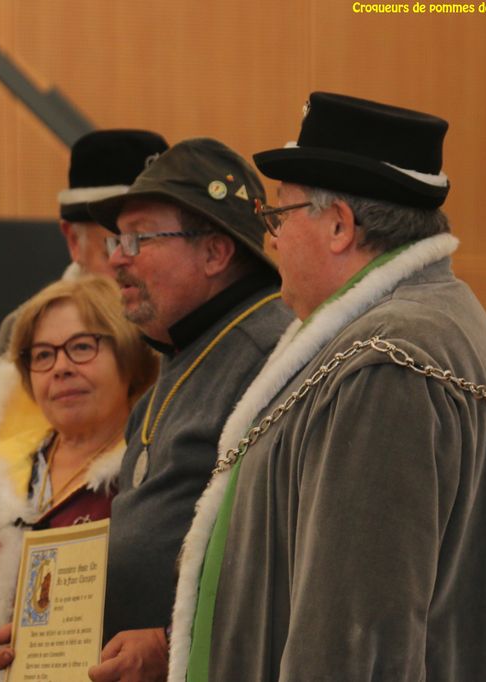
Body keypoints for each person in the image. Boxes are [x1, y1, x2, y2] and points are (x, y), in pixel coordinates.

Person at [168, 92, 486, 681]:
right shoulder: (428, 319)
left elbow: (357, 635)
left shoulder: (387, 362)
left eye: (278, 217)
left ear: (339, 225)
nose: (271, 241)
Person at [80, 138, 294, 681]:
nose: (117, 258)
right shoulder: (182, 349)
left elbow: (285, 556)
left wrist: (170, 642)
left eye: (140, 238)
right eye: (117, 239)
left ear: (215, 253)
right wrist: (52, 635)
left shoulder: (270, 357)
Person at [0, 275, 158, 681]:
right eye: (42, 355)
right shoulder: (0, 476)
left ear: (128, 355)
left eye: (81, 347)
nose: (60, 368)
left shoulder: (151, 474)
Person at [0, 129, 168, 355]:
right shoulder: (28, 333)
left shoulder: (198, 331)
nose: (137, 266)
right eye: (116, 247)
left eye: (150, 245)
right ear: (74, 241)